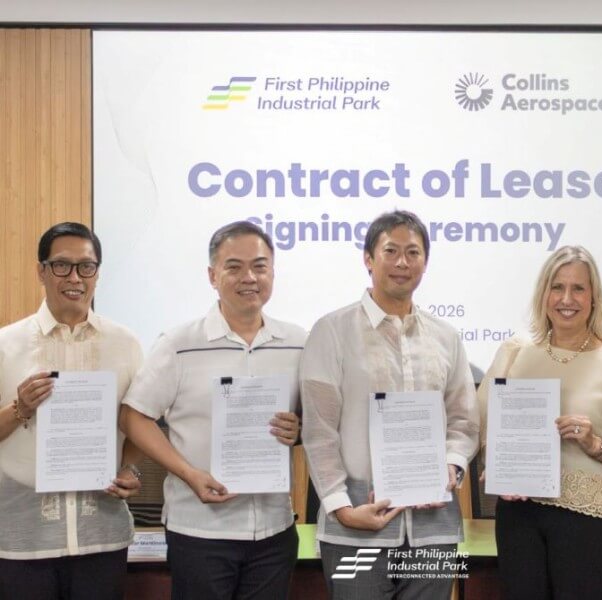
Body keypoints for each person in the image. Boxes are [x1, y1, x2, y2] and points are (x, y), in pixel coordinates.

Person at [119, 221, 305, 600]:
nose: (249, 277)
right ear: (212, 275)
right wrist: (188, 473)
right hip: (200, 531)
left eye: (260, 266)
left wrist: (299, 431)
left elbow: (316, 422)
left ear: (273, 272)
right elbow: (134, 417)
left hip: (273, 529)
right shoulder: (179, 343)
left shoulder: (300, 343)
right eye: (234, 267)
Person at [300, 210, 479, 599]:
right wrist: (342, 509)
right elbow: (318, 431)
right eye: (391, 250)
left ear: (425, 262)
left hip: (433, 524)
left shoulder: (446, 337)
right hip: (356, 523)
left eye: (413, 252)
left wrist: (452, 463)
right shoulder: (331, 331)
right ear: (368, 258)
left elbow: (464, 421)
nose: (402, 262)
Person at [478, 245, 602, 600]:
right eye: (557, 286)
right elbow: (486, 427)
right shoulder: (515, 354)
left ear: (594, 297)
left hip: (593, 527)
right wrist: (498, 465)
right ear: (543, 293)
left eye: (578, 288)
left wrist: (596, 443)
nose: (567, 298)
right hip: (520, 519)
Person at [0, 222, 144, 599]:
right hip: (23, 537)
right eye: (62, 265)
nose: (75, 277)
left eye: (86, 266)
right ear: (41, 271)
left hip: (102, 535)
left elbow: (136, 424)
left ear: (97, 273)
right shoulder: (5, 345)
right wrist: (20, 408)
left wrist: (130, 468)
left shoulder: (125, 344)